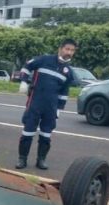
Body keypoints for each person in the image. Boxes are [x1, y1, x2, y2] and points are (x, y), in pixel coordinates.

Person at [15, 39, 77, 170]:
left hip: (51, 107)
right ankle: (22, 159)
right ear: (60, 48)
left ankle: (41, 160)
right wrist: (24, 81)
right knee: (28, 132)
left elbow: (64, 92)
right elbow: (27, 67)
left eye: (72, 50)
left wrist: (59, 108)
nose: (69, 53)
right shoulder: (44, 59)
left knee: (46, 135)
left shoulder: (68, 72)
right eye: (67, 49)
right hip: (35, 103)